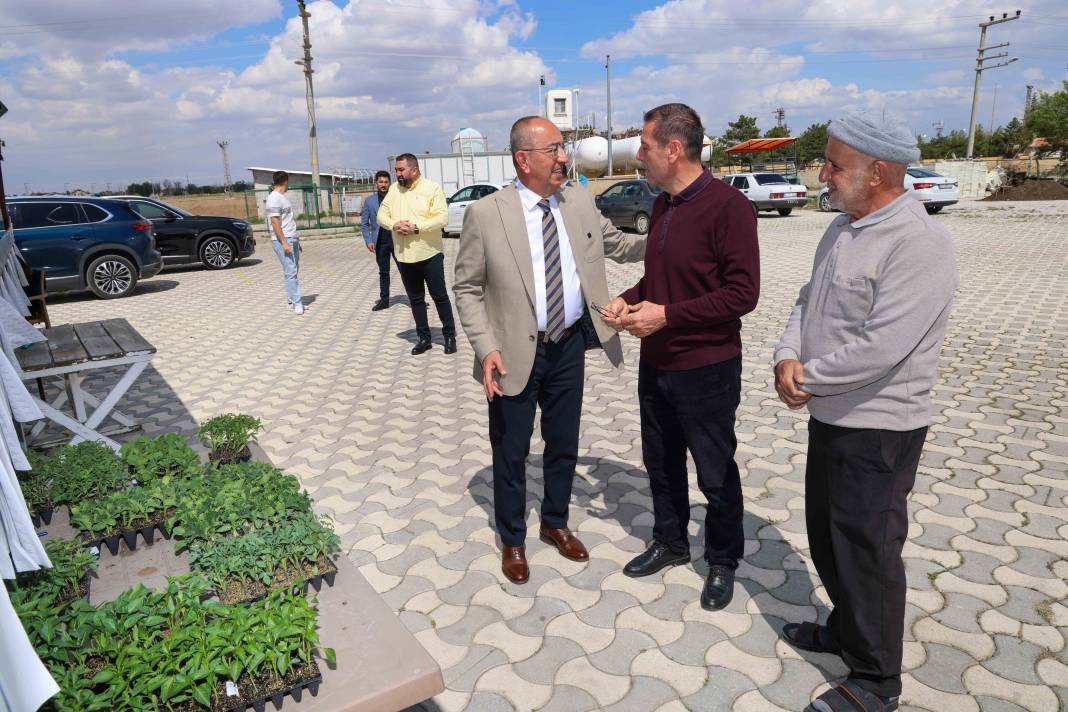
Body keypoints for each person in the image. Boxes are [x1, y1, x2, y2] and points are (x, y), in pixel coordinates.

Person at [773, 108, 957, 712]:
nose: (822, 174)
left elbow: (883, 345)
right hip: (832, 415)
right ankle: (847, 631)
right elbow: (807, 300)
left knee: (868, 551)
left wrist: (809, 377)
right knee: (830, 537)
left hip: (879, 428)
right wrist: (786, 355)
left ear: (877, 172)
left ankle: (878, 683)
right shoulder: (842, 227)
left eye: (834, 165)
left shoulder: (918, 242)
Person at [454, 116, 646, 584]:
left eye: (563, 148)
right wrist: (485, 348)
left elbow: (620, 245)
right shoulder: (486, 214)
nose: (564, 158)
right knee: (511, 450)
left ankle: (555, 522)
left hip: (568, 345)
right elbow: (467, 288)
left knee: (564, 444)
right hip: (511, 354)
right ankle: (513, 538)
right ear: (523, 160)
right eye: (554, 150)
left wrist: (676, 234)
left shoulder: (578, 200)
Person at [601, 103, 759, 611]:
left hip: (708, 366)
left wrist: (666, 316)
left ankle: (723, 559)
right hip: (658, 363)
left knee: (715, 471)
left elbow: (743, 294)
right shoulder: (663, 205)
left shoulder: (729, 208)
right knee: (661, 462)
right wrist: (629, 297)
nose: (638, 156)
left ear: (673, 149)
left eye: (644, 147)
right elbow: (661, 280)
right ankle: (670, 542)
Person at [376, 154, 456, 354]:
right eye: (396, 170)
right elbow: (381, 215)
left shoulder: (432, 188)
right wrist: (394, 224)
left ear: (414, 170)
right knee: (416, 299)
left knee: (439, 296)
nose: (397, 174)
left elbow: (442, 218)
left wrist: (416, 227)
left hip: (430, 254)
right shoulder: (394, 190)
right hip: (404, 257)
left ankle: (449, 336)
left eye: (401, 170)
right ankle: (424, 338)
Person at [265, 170, 303, 315]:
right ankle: (297, 303)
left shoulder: (281, 197)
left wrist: (296, 240)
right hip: (283, 240)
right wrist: (284, 242)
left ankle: (291, 301)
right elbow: (274, 222)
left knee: (291, 272)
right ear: (285, 181)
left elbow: (287, 221)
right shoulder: (274, 198)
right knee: (291, 272)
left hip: (291, 238)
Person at [361, 170, 397, 311]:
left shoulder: (396, 198)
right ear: (376, 183)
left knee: (407, 271)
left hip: (397, 240)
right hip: (380, 242)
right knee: (384, 272)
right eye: (381, 182)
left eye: (386, 182)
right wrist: (368, 240)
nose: (383, 184)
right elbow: (364, 224)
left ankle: (416, 299)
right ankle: (384, 300)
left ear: (390, 183)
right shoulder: (369, 201)